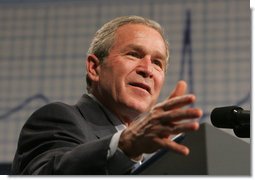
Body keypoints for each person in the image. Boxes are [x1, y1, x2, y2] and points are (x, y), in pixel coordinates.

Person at [11, 15, 203, 175]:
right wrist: (125, 144)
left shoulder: (146, 156)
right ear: (94, 68)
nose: (147, 70)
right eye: (134, 54)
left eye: (157, 63)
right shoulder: (58, 118)